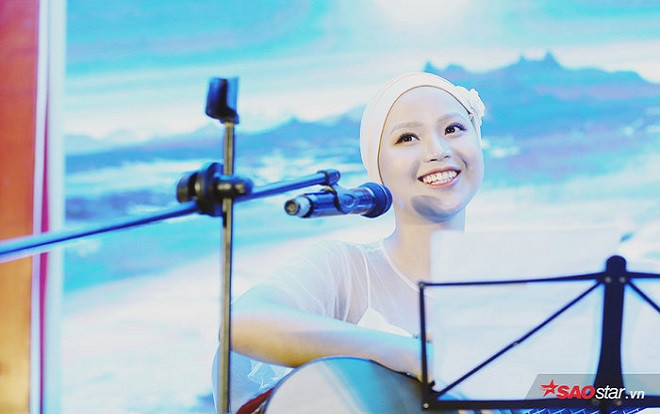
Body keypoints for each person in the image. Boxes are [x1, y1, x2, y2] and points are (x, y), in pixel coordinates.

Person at [215, 72, 486, 411]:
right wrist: (415, 356)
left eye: (453, 128)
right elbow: (241, 322)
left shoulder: (521, 280)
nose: (438, 150)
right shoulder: (345, 267)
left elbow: (548, 386)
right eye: (407, 138)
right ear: (377, 169)